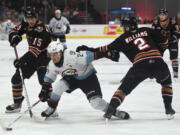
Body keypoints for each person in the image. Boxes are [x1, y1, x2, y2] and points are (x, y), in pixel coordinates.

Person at [76, 17, 175, 120]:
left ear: (129, 26)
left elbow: (105, 49)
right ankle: (168, 108)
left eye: (125, 26)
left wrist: (89, 49)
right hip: (158, 62)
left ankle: (111, 109)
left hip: (140, 66)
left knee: (123, 90)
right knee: (166, 83)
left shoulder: (122, 38)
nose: (123, 28)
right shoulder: (146, 30)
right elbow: (165, 42)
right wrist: (159, 53)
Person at [38, 41, 129, 120]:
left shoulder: (71, 56)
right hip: (72, 77)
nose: (53, 57)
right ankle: (52, 108)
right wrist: (44, 89)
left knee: (96, 103)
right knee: (59, 86)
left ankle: (114, 111)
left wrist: (106, 54)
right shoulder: (52, 64)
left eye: (55, 54)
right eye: (51, 55)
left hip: (88, 77)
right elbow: (48, 79)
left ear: (61, 52)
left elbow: (92, 55)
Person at [6, 6, 51, 113]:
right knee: (16, 78)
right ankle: (17, 104)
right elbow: (14, 31)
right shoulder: (25, 24)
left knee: (44, 80)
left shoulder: (41, 30)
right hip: (32, 56)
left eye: (32, 18)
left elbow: (35, 51)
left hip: (44, 57)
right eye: (28, 18)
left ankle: (52, 106)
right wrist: (14, 37)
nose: (30, 21)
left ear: (36, 17)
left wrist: (21, 61)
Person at [152, 8, 180, 79]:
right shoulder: (155, 22)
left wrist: (174, 37)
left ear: (166, 15)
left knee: (174, 57)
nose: (161, 16)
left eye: (163, 14)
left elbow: (177, 31)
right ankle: (156, 72)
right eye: (160, 14)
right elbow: (152, 33)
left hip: (172, 42)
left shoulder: (173, 21)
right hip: (161, 43)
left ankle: (175, 73)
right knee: (157, 57)